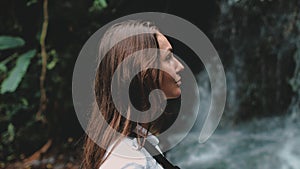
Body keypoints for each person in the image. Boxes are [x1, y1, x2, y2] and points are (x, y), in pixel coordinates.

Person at [81, 20, 184, 169]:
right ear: (142, 71)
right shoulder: (129, 162)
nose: (180, 67)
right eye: (168, 58)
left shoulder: (140, 140)